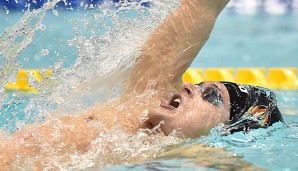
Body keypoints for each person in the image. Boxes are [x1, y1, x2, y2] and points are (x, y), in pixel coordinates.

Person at [0, 0, 283, 169]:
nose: (188, 87)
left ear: (225, 132)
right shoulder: (143, 99)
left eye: (212, 97)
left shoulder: (197, 153)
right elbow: (201, 4)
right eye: (199, 85)